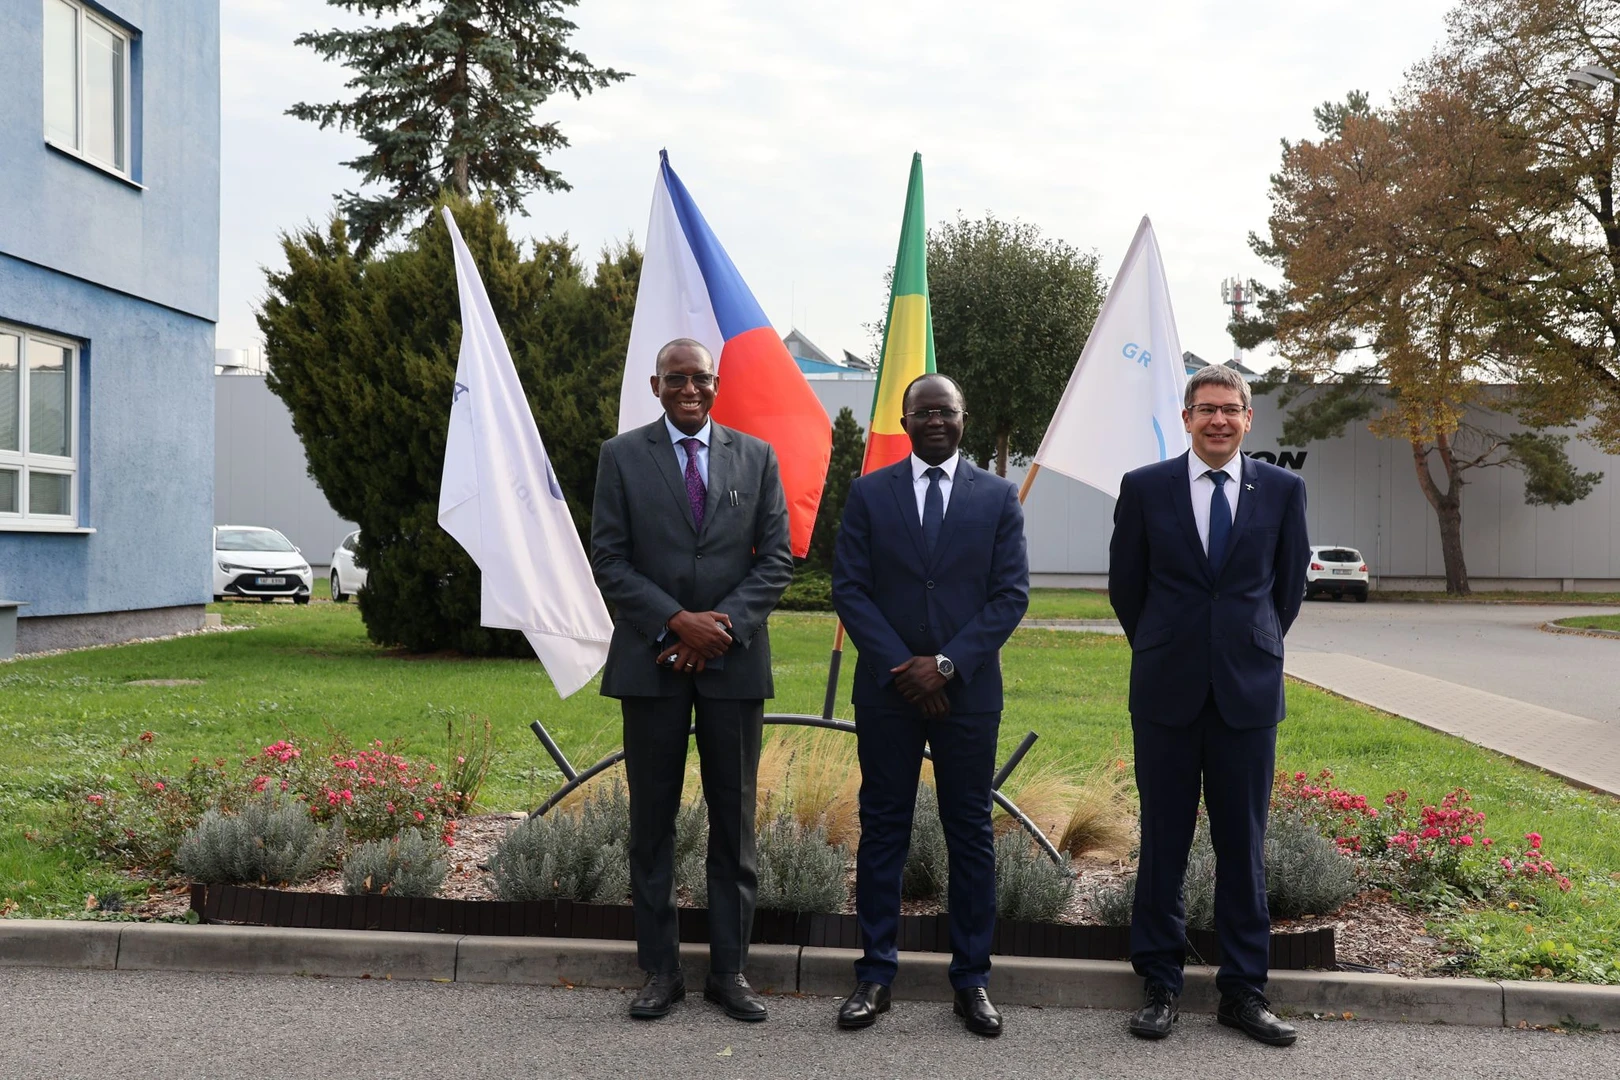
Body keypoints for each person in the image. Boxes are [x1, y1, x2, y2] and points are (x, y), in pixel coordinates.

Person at [591, 338, 794, 1023]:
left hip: (733, 665)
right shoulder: (621, 457)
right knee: (652, 822)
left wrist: (719, 630)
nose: (689, 389)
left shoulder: (756, 457)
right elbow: (609, 560)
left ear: (716, 385)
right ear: (655, 385)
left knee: (734, 823)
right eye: (675, 378)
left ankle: (729, 972)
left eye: (700, 378)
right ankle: (661, 972)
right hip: (651, 663)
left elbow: (776, 560)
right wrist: (677, 623)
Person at [1108, 364, 1310, 1047]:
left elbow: (1286, 589)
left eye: (1230, 409)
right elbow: (1127, 588)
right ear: (1187, 417)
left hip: (1247, 694)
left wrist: (1247, 645)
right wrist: (1167, 645)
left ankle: (1243, 991)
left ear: (1248, 419)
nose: (1218, 419)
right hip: (1165, 691)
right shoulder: (1146, 488)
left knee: (1243, 845)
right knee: (1164, 840)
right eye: (1206, 409)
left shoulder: (1282, 490)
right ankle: (1160, 984)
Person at [830, 373, 1029, 1038]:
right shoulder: (869, 493)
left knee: (968, 832)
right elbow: (850, 588)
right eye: (924, 412)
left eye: (947, 411)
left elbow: (1010, 595)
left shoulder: (997, 497)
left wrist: (944, 666)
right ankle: (874, 975)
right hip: (887, 692)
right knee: (883, 828)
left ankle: (972, 980)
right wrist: (904, 668)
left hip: (967, 694)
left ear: (963, 418)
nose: (936, 421)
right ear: (905, 420)